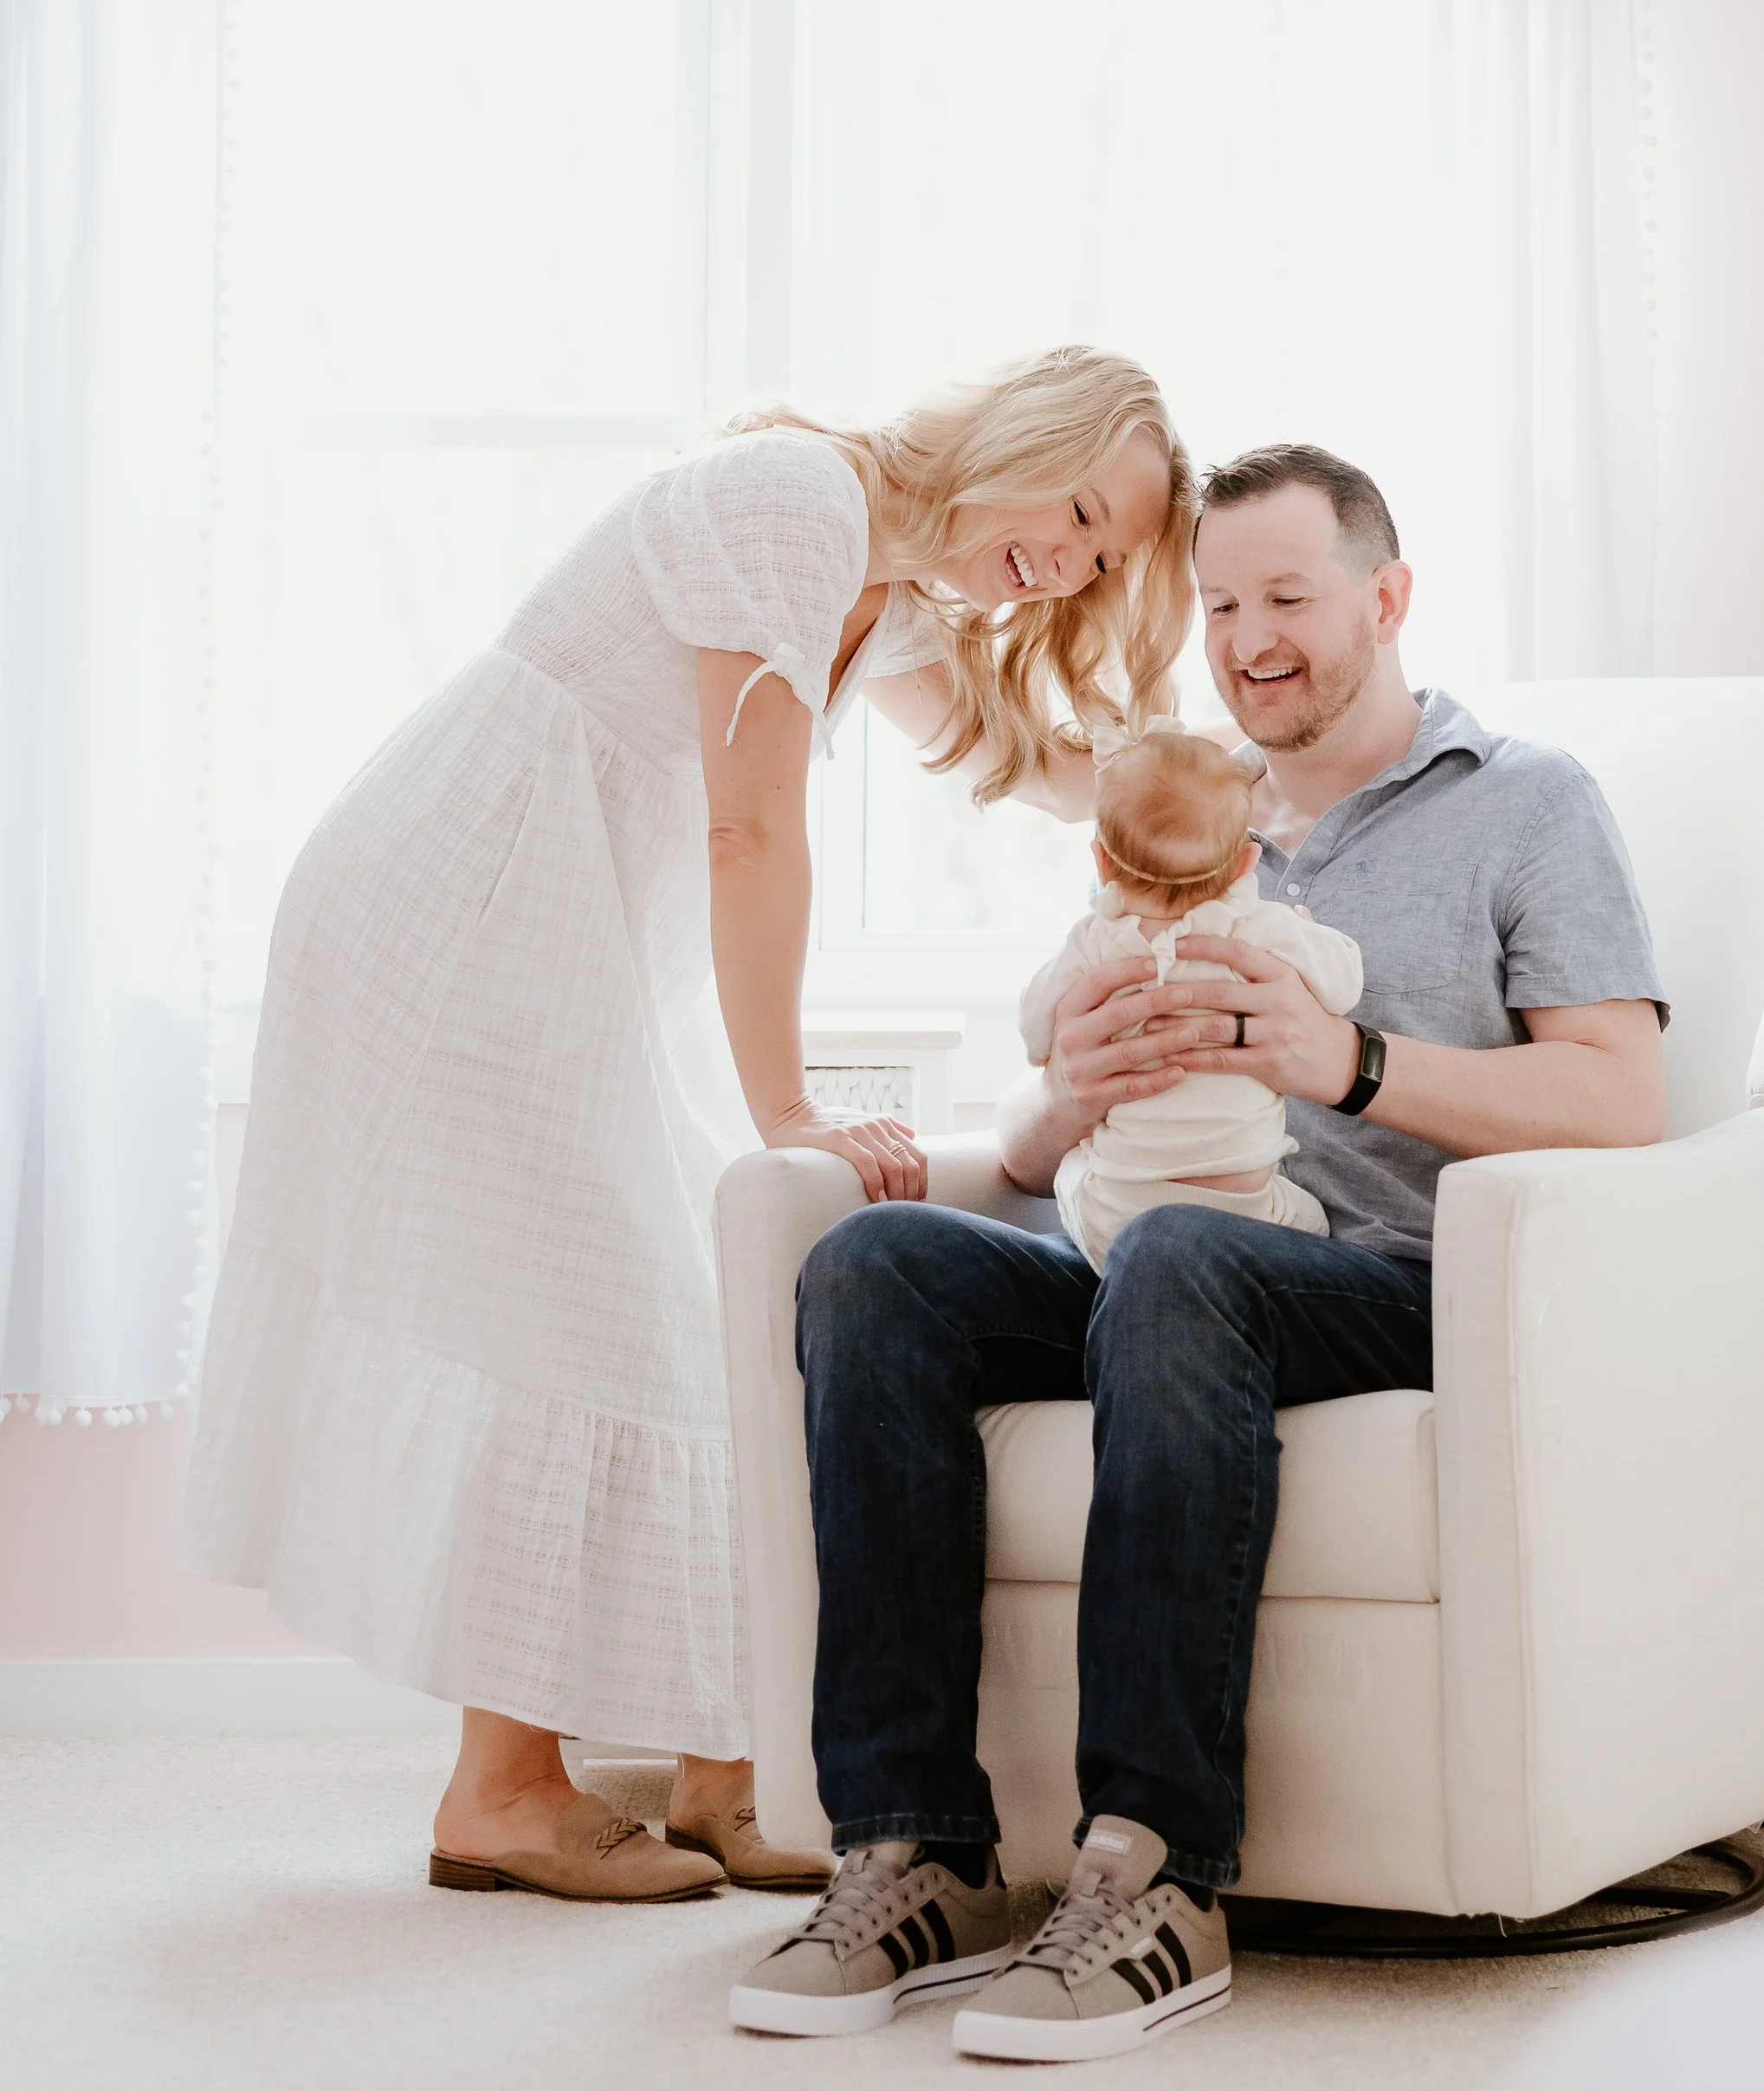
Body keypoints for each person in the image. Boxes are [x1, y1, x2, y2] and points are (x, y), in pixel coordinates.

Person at [184, 348, 1193, 1906]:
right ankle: (502, 1793)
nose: (1067, 567)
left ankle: (728, 1768)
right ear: (1020, 439)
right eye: (1074, 514)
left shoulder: (893, 594)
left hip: (556, 943)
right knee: (575, 1310)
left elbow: (1040, 772)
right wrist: (786, 1110)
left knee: (687, 1318)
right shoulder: (798, 503)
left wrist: (1233, 788)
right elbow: (750, 828)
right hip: (458, 906)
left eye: (1102, 559)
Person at [731, 441, 1666, 2053]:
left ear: (1387, 596)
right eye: (1221, 606)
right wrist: (1062, 1098)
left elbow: (1619, 1099)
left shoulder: (1527, 802)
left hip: (1390, 1280)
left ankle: (1154, 1872)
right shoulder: (1174, 805)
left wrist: (1351, 1065)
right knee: (874, 1266)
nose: (1248, 641)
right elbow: (1040, 1143)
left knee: (1178, 1256)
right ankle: (915, 1851)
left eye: (1287, 597)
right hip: (1152, 1270)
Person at [1018, 726, 1360, 1270]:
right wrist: (1307, 933)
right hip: (1249, 1213)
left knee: (1076, 1172)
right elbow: (1344, 985)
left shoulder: (1094, 944)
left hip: (1115, 1219)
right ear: (1246, 863)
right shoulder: (1260, 931)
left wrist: (1053, 1043)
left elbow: (1036, 1030)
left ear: (1102, 861)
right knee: (1315, 1223)